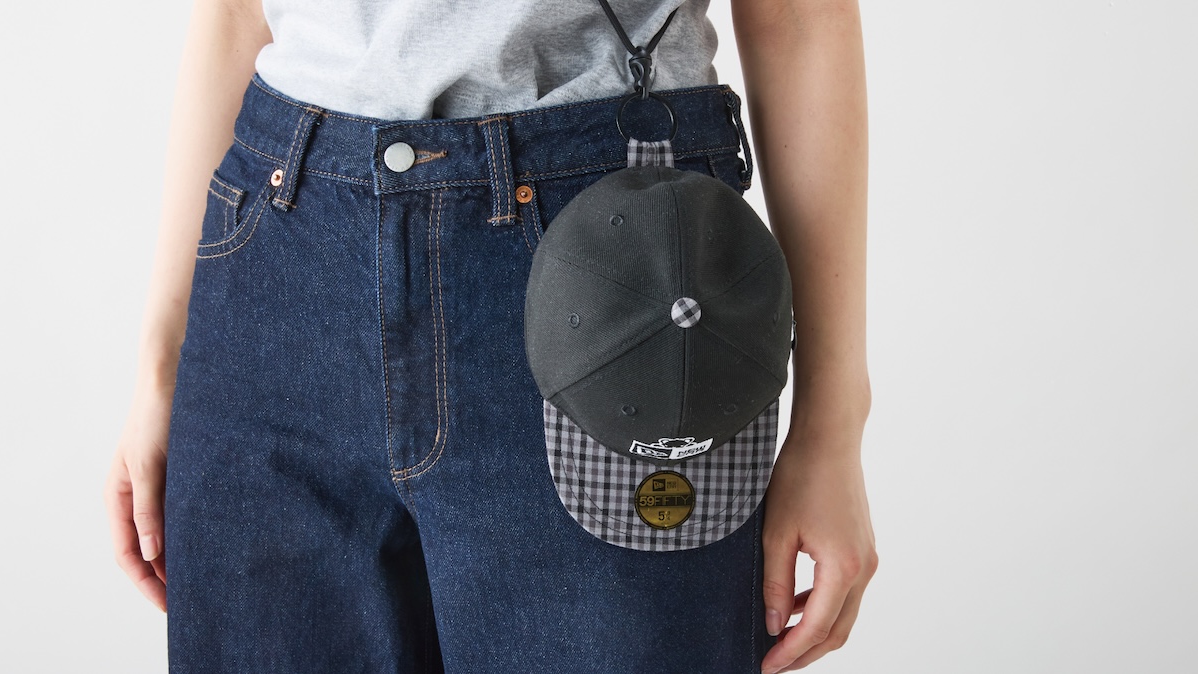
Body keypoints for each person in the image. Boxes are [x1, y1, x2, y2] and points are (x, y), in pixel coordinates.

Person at [104, 0, 876, 671]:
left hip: (613, 266)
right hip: (281, 254)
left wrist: (831, 426)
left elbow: (797, 15)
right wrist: (162, 363)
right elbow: (236, 12)